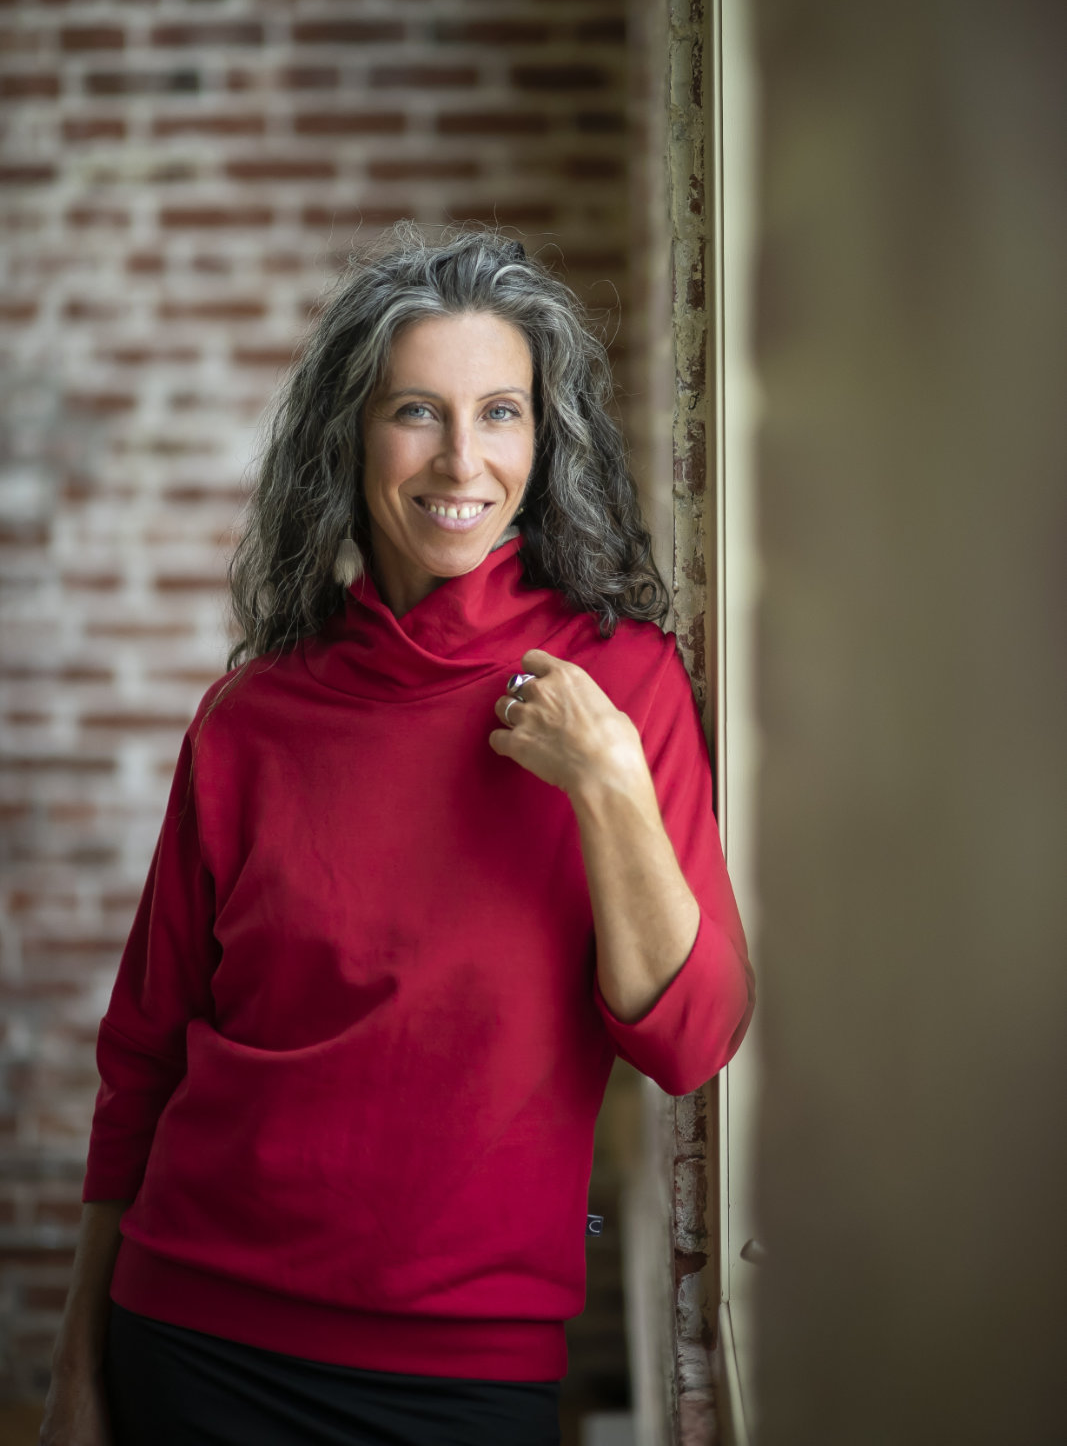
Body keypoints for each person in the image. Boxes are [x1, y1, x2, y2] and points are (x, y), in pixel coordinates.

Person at [40, 227, 754, 1446]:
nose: (461, 458)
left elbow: (690, 1039)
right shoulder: (252, 718)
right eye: (416, 411)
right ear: (351, 437)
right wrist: (76, 1365)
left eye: (500, 412)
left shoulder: (617, 687)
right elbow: (145, 1053)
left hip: (466, 1375)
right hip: (194, 1330)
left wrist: (606, 787)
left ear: (546, 437)